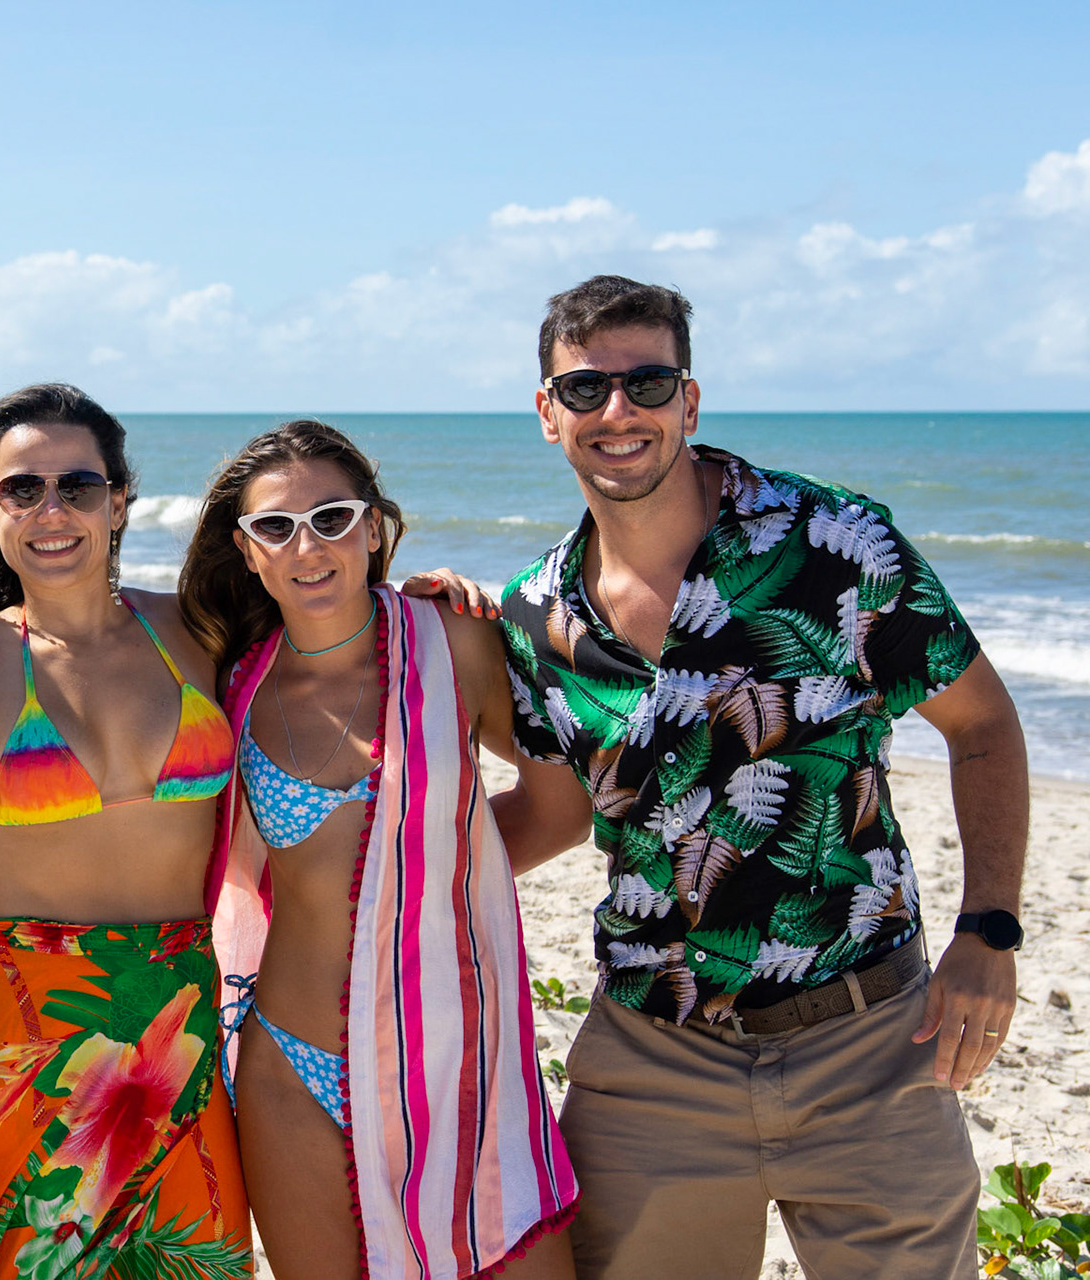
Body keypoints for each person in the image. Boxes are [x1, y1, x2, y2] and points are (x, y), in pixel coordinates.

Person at [411, 274, 1028, 1280]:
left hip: (870, 1036)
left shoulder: (834, 545)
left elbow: (986, 724)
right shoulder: (534, 617)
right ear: (545, 414)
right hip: (652, 1058)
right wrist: (377, 869)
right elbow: (555, 815)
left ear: (690, 402)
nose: (618, 412)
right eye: (584, 390)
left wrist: (989, 927)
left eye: (648, 383)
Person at [0, 384, 255, 1279]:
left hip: (178, 1017)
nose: (53, 509)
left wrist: (427, 593)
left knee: (177, 1262)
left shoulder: (197, 633)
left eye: (79, 484)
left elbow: (339, 635)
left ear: (120, 500)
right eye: (22, 490)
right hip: (22, 1022)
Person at [176, 421, 578, 1279]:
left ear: (373, 526)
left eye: (332, 517)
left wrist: (429, 869)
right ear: (247, 553)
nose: (307, 546)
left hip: (454, 1058)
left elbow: (559, 812)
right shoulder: (235, 678)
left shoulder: (453, 639)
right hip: (288, 1062)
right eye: (275, 528)